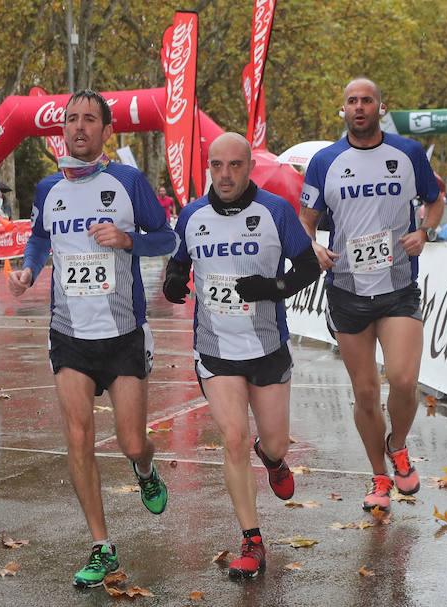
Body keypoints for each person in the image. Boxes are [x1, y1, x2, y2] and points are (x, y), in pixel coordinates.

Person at [7, 89, 176, 589]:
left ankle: (145, 470)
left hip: (123, 334)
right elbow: (40, 238)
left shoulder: (127, 182)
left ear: (107, 131)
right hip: (70, 335)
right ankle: (102, 545)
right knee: (77, 437)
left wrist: (128, 241)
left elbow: (167, 237)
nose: (78, 127)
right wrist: (28, 269)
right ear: (63, 129)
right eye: (70, 119)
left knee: (130, 440)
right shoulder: (46, 189)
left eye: (89, 120)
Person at [163, 132, 319, 581]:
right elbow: (179, 264)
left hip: (267, 349)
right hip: (217, 351)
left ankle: (271, 459)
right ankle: (251, 540)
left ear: (248, 166)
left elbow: (307, 267)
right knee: (232, 439)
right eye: (216, 166)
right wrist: (174, 284)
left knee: (274, 442)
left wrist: (273, 288)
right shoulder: (192, 215)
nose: (225, 174)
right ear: (207, 168)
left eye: (234, 165)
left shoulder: (274, 212)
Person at [298, 77, 441, 514]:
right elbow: (305, 219)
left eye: (367, 101)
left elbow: (435, 201)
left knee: (402, 380)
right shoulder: (325, 161)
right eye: (351, 101)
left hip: (398, 286)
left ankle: (398, 445)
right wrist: (314, 246)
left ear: (381, 106)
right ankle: (380, 475)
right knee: (364, 394)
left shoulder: (408, 154)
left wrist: (424, 231)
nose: (359, 107)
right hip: (347, 291)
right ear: (343, 109)